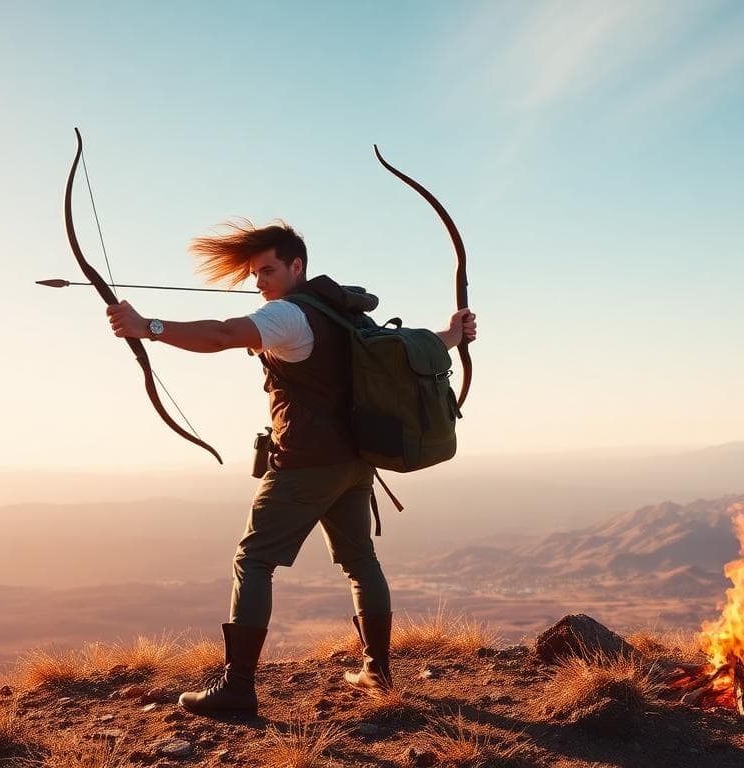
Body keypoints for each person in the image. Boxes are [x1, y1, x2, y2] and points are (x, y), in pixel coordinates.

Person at [105, 220, 477, 717]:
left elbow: (220, 335)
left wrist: (147, 327)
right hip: (355, 462)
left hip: (305, 464)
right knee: (359, 559)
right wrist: (454, 333)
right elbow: (404, 352)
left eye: (268, 270)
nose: (260, 281)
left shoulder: (287, 315)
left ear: (297, 266)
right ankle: (377, 671)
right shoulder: (345, 310)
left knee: (253, 560)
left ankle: (237, 689)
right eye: (255, 273)